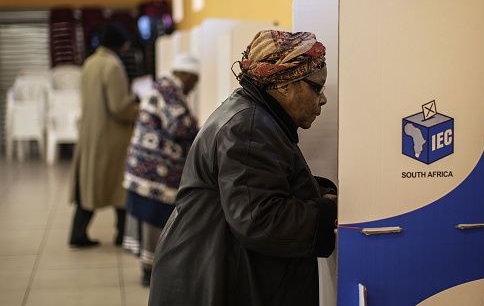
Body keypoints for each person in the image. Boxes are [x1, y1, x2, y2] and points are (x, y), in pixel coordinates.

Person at [148, 30, 337, 306]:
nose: (322, 100)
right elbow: (260, 219)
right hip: (210, 280)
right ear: (284, 84)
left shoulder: (251, 115)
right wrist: (331, 213)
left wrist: (317, 192)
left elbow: (258, 185)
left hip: (205, 269)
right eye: (316, 88)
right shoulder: (249, 127)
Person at [122, 53, 200, 286]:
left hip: (143, 167)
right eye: (194, 81)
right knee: (155, 221)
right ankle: (152, 272)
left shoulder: (161, 86)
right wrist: (201, 129)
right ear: (186, 75)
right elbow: (179, 126)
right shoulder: (170, 91)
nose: (194, 87)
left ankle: (151, 269)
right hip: (155, 172)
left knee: (151, 224)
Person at [69, 22, 139, 248]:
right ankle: (122, 235)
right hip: (111, 136)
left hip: (90, 131)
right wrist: (140, 109)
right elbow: (119, 107)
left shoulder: (89, 63)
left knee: (88, 184)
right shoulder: (113, 66)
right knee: (119, 186)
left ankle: (77, 233)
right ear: (119, 44)